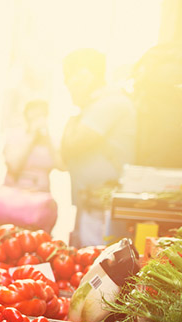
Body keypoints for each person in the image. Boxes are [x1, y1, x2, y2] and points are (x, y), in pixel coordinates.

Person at [60, 48, 136, 247]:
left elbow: (72, 143)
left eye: (69, 76)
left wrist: (73, 116)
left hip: (102, 210)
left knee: (95, 268)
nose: (67, 84)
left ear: (86, 75)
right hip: (92, 206)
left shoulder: (110, 103)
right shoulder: (95, 105)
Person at [3, 99, 59, 192]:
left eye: (42, 115)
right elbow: (14, 167)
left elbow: (61, 166)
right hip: (15, 193)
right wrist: (32, 138)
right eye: (35, 116)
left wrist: (48, 140)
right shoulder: (14, 136)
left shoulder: (50, 140)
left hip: (42, 195)